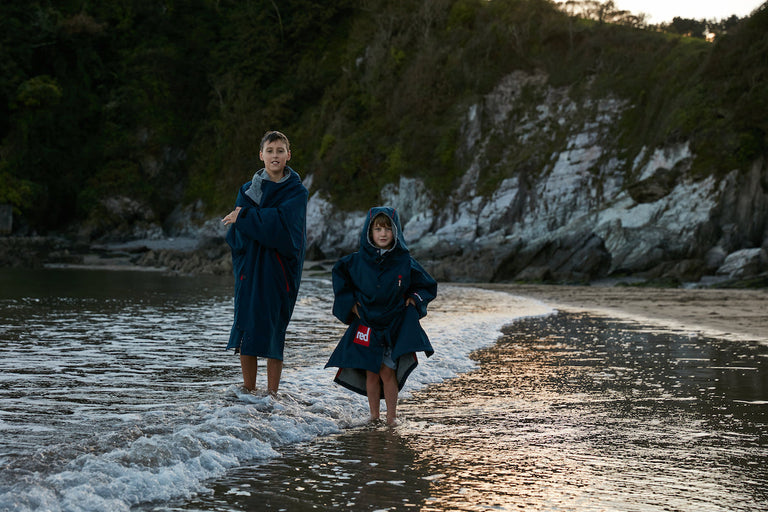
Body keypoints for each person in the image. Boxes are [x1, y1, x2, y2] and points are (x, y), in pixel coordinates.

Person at [325, 206, 437, 424]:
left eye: (388, 229)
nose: (383, 234)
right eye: (378, 229)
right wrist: (351, 305)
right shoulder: (356, 261)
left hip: (393, 324)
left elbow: (428, 285)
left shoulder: (404, 261)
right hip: (366, 323)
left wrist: (414, 298)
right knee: (371, 372)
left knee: (387, 371)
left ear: (396, 231)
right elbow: (339, 277)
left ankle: (391, 418)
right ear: (369, 232)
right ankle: (374, 416)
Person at [221, 130, 308, 395]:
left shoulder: (296, 192)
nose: (275, 156)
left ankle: (272, 396)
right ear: (261, 155)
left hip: (279, 271)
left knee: (273, 330)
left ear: (288, 155)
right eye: (270, 151)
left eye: (280, 151)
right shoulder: (248, 190)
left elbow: (285, 230)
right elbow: (236, 232)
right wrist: (249, 220)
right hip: (250, 269)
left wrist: (246, 217)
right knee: (246, 327)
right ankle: (248, 393)